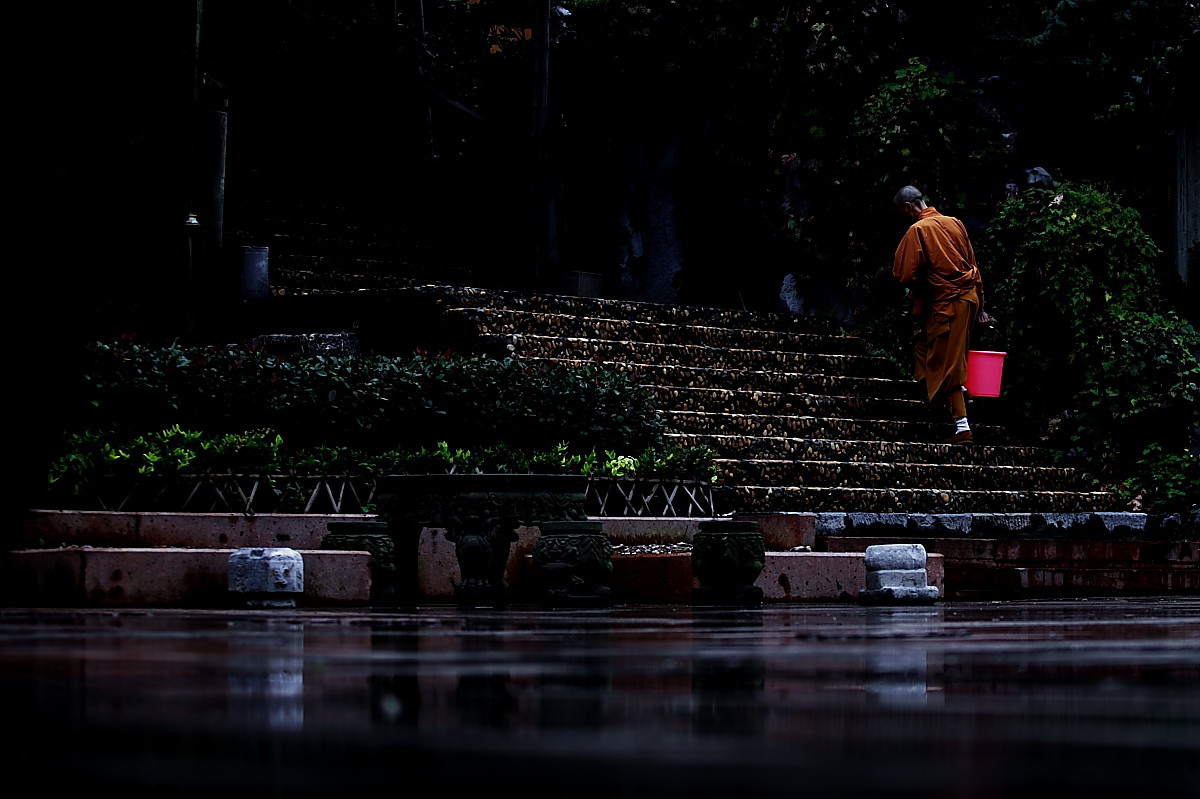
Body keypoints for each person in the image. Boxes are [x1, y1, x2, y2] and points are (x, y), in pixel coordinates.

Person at [892, 185, 988, 444]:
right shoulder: (955, 223)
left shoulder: (919, 230)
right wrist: (983, 305)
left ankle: (962, 426)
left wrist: (925, 285)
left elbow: (905, 275)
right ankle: (951, 393)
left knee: (949, 363)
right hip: (969, 299)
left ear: (909, 207)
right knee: (924, 348)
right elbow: (972, 262)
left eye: (902, 211)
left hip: (948, 304)